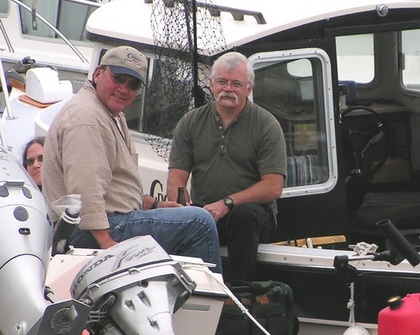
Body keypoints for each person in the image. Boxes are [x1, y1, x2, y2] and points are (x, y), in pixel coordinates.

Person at [42, 46, 221, 270]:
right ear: (98, 74)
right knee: (199, 223)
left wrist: (155, 204)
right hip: (89, 232)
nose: (124, 89)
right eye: (118, 78)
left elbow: (115, 185)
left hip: (107, 222)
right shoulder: (87, 117)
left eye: (133, 84)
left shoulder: (110, 114)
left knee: (191, 218)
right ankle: (209, 303)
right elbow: (84, 189)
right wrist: (108, 244)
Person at [168, 51, 287, 282]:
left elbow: (274, 187)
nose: (228, 89)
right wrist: (184, 209)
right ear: (212, 84)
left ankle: (240, 295)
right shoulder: (190, 122)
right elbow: (176, 179)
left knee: (243, 216)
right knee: (179, 219)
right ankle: (191, 289)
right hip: (206, 211)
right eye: (222, 82)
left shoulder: (266, 125)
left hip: (253, 215)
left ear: (249, 89)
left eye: (236, 84)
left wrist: (227, 203)